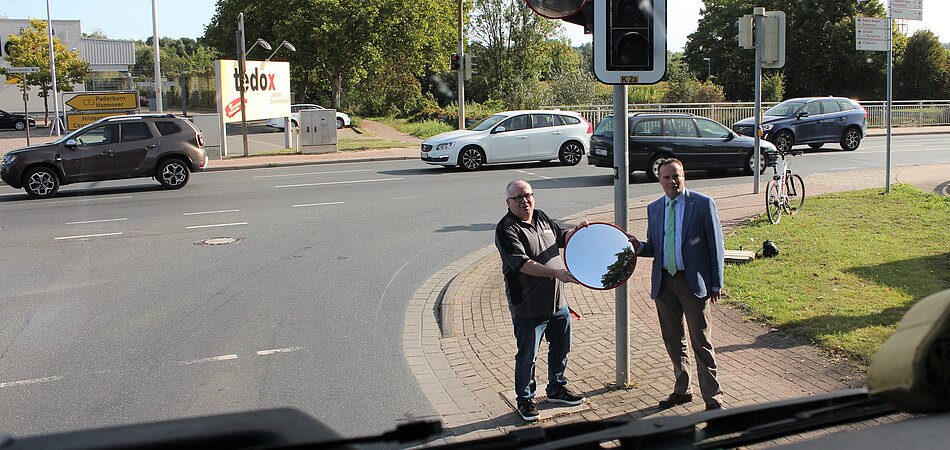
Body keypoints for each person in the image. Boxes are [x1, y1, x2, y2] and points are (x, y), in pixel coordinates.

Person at [629, 158, 725, 411]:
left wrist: (716, 284)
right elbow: (656, 246)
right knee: (673, 340)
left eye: (676, 176)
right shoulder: (654, 208)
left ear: (684, 176)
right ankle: (682, 389)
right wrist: (638, 247)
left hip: (693, 284)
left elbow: (716, 246)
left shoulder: (702, 204)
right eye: (667, 177)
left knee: (701, 342)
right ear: (659, 180)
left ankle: (713, 399)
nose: (672, 181)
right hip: (665, 284)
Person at [495, 179, 587, 422]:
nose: (525, 200)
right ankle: (525, 400)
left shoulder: (542, 217)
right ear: (508, 203)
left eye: (528, 195)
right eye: (518, 198)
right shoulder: (506, 229)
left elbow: (560, 237)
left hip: (558, 304)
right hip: (528, 307)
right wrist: (556, 272)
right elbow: (523, 264)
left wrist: (576, 233)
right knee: (528, 356)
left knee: (561, 347)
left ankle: (556, 388)